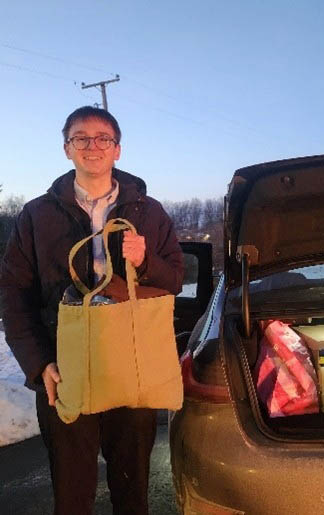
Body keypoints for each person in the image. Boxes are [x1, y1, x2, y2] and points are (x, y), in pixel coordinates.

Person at [0, 106, 184, 514]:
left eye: (103, 138)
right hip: (64, 367)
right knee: (72, 494)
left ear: (117, 149)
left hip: (132, 363)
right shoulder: (36, 215)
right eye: (80, 137)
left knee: (132, 492)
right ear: (67, 148)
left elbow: (174, 280)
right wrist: (38, 363)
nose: (92, 145)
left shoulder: (149, 212)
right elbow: (13, 295)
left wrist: (146, 262)